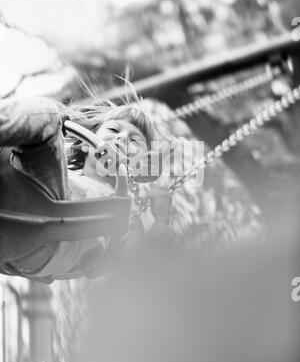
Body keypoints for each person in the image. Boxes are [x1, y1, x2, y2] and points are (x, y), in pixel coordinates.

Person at [0, 94, 173, 283]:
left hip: (51, 244)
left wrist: (161, 221)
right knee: (37, 127)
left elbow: (138, 263)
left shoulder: (125, 211)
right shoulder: (57, 170)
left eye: (134, 141)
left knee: (47, 113)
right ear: (85, 143)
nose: (122, 138)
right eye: (114, 129)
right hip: (12, 213)